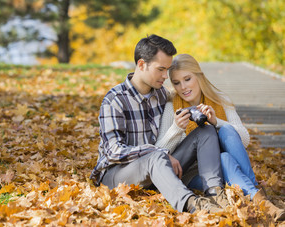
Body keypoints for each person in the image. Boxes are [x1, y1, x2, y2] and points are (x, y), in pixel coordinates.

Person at [90, 35, 228, 214]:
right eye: (161, 69)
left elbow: (183, 98)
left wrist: (196, 111)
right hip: (117, 175)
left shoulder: (162, 94)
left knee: (205, 131)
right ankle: (194, 205)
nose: (166, 76)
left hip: (158, 168)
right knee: (155, 157)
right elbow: (114, 151)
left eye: (167, 70)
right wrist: (157, 152)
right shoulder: (114, 100)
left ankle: (215, 194)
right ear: (141, 65)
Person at [156, 53, 285, 222]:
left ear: (199, 76)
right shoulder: (172, 107)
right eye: (176, 82)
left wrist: (216, 121)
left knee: (226, 138)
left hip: (225, 165)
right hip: (196, 173)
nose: (183, 87)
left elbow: (244, 139)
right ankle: (259, 197)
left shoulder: (219, 99)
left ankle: (258, 199)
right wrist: (176, 128)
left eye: (187, 79)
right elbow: (158, 149)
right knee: (223, 157)